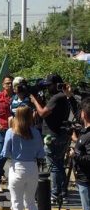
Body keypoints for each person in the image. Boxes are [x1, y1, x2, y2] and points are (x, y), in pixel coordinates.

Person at [1, 105, 50, 210]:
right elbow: (41, 154)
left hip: (17, 168)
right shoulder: (36, 133)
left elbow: (5, 153)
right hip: (32, 168)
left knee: (17, 205)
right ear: (31, 117)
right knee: (30, 202)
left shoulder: (11, 132)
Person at [30, 74, 77, 203]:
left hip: (53, 137)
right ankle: (62, 193)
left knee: (54, 166)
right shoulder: (65, 97)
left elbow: (42, 113)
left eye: (49, 85)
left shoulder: (57, 97)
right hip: (61, 135)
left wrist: (35, 101)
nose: (47, 87)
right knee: (59, 165)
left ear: (57, 85)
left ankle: (55, 194)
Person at [71, 97, 90, 210]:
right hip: (83, 178)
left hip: (86, 178)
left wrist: (74, 155)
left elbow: (88, 158)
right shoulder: (84, 132)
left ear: (85, 114)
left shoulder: (89, 134)